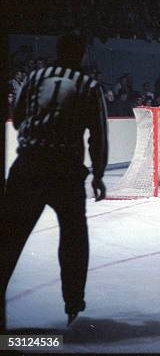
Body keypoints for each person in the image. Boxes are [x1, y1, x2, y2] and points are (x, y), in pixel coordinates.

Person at [1, 33, 108, 331]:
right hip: (65, 169)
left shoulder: (35, 77)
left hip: (29, 165)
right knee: (74, 237)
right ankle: (73, 300)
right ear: (82, 54)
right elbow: (98, 134)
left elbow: (19, 117)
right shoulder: (88, 85)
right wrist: (98, 174)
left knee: (8, 238)